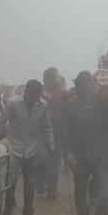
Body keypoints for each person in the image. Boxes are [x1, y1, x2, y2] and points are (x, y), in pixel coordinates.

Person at [0, 79, 55, 215]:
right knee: (10, 183)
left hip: (32, 150)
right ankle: (8, 209)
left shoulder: (43, 106)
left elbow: (47, 127)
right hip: (14, 148)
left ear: (40, 94)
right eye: (31, 94)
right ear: (25, 92)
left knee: (30, 184)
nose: (34, 97)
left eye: (37, 95)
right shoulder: (13, 104)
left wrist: (51, 145)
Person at [63, 71, 108, 215]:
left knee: (105, 191)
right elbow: (65, 133)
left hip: (101, 154)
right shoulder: (70, 106)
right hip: (79, 154)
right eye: (83, 87)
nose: (87, 90)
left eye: (89, 86)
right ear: (78, 88)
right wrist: (69, 154)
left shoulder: (104, 105)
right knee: (80, 190)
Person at [37, 67, 69, 198]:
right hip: (39, 135)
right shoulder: (37, 93)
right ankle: (39, 183)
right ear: (48, 79)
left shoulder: (64, 94)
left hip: (58, 134)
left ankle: (52, 188)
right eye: (56, 77)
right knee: (42, 160)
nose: (59, 79)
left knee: (55, 164)